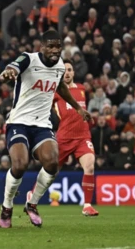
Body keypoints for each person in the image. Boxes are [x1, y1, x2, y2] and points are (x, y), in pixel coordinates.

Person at [0, 30, 91, 228]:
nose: (55, 50)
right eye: (50, 46)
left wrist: (78, 108)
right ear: (42, 46)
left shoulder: (59, 66)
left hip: (42, 124)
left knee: (51, 162)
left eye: (58, 46)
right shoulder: (29, 59)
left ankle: (32, 204)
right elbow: (13, 67)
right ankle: (7, 207)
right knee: (20, 164)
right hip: (19, 122)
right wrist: (10, 72)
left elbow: (61, 87)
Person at [27, 59, 99, 216]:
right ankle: (32, 196)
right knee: (51, 172)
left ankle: (87, 205)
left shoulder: (81, 89)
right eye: (64, 70)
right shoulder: (56, 91)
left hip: (82, 137)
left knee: (90, 166)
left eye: (70, 70)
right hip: (64, 137)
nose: (67, 73)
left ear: (73, 72)